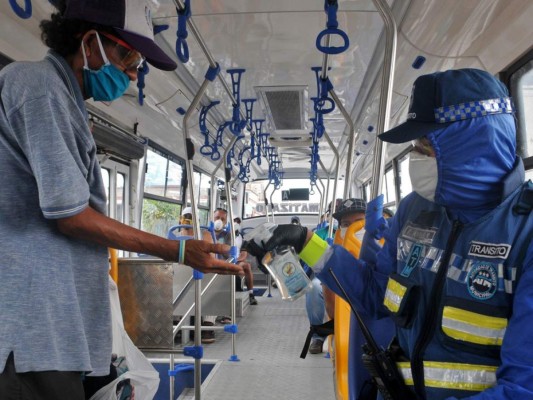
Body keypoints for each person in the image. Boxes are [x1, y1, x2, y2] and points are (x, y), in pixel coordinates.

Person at [0, 1, 243, 398]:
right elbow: (70, 215)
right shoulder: (38, 87)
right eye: (127, 55)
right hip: (29, 333)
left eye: (138, 63)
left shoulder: (66, 100)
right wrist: (177, 250)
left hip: (52, 326)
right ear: (89, 41)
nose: (133, 72)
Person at [246, 68, 533, 399]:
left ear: (471, 143)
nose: (416, 157)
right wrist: (306, 242)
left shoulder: (524, 235)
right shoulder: (414, 211)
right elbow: (375, 296)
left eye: (426, 144)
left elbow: (523, 388)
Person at [291, 216, 328, 355]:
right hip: (327, 275)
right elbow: (310, 261)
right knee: (314, 287)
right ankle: (318, 336)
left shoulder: (367, 235)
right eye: (345, 222)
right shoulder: (322, 234)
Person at [214, 208, 258, 305]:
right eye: (217, 218)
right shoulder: (207, 234)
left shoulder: (236, 237)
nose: (219, 221)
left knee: (246, 266)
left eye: (222, 219)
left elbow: (242, 254)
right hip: (214, 261)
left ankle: (251, 293)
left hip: (232, 260)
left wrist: (234, 259)